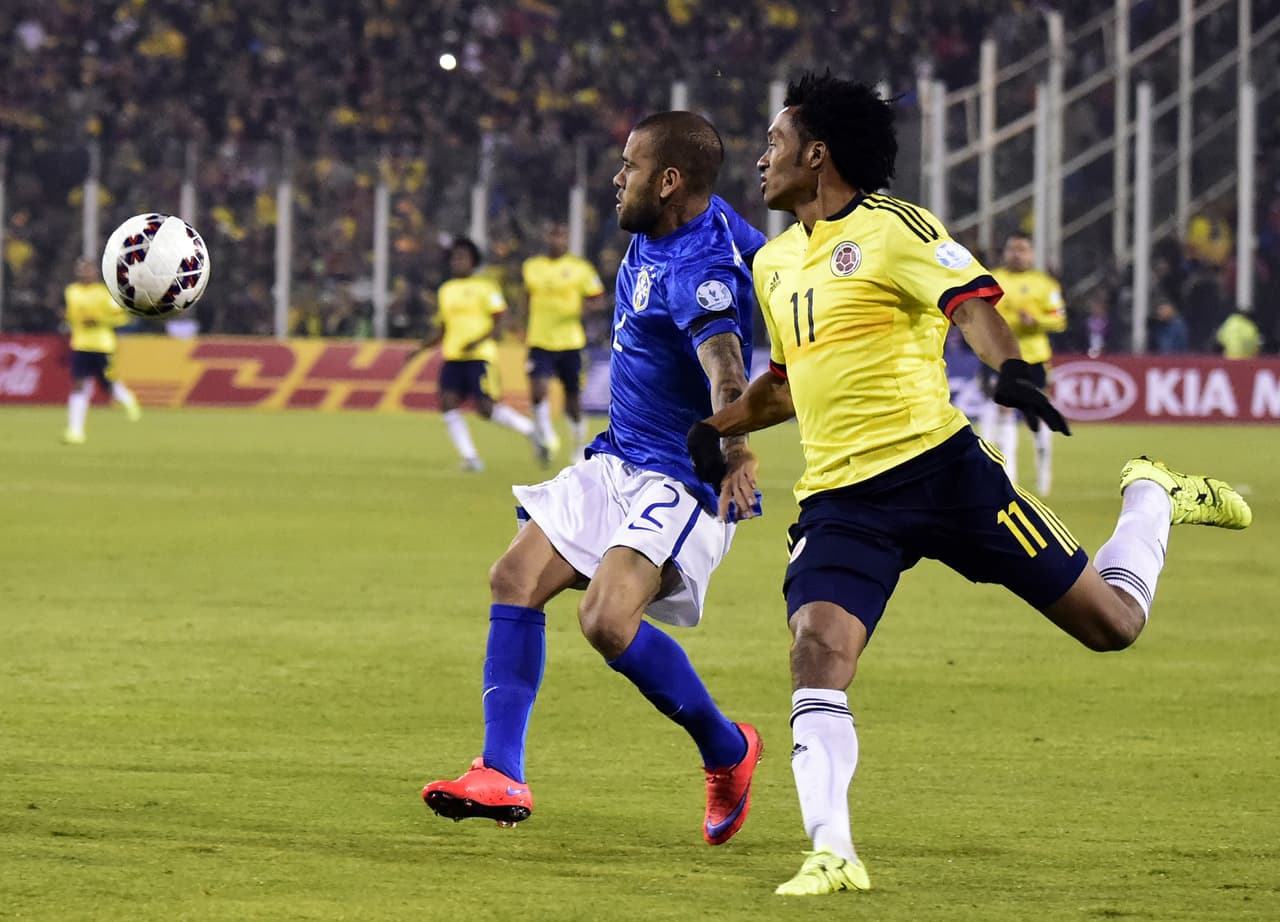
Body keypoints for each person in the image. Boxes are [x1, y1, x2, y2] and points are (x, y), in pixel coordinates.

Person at [687, 72, 1253, 897]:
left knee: (1113, 626)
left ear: (817, 155)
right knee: (816, 650)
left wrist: (1013, 368)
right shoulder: (772, 263)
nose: (761, 160)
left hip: (945, 474)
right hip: (843, 501)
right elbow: (787, 382)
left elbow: (970, 303)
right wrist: (719, 426)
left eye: (774, 143)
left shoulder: (894, 228)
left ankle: (1151, 497)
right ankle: (832, 851)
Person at [423, 111, 768, 846]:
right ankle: (501, 771)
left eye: (629, 166)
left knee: (606, 621)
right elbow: (773, 260)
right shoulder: (692, 220)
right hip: (616, 457)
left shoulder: (698, 269)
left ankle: (727, 749)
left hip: (679, 478)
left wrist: (736, 450)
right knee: (514, 577)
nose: (617, 178)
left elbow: (727, 368)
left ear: (667, 181)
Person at [412, 237, 544, 472]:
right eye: (454, 258)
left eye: (462, 258)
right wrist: (421, 349)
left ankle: (530, 430)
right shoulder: (446, 290)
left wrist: (478, 341)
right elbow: (442, 327)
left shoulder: (486, 288)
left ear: (473, 262)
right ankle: (471, 458)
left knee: (485, 409)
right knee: (447, 403)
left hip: (480, 357)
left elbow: (500, 320)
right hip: (454, 356)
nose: (457, 262)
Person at [980, 231, 1067, 495]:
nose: (1016, 254)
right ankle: (1009, 476)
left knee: (1037, 413)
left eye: (1022, 249)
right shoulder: (991, 280)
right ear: (1005, 252)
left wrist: (1036, 321)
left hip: (1034, 357)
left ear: (1031, 253)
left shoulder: (1045, 285)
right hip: (1000, 356)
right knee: (1004, 410)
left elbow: (1059, 320)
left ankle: (1044, 469)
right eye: (1012, 249)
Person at [521, 221, 606, 460]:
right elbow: (527, 298)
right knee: (538, 390)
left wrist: (582, 311)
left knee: (572, 400)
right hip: (539, 339)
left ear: (567, 239)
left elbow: (597, 298)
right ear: (546, 238)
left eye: (560, 236)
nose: (556, 240)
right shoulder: (532, 267)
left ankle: (578, 445)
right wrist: (522, 324)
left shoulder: (580, 269)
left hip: (570, 341)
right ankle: (547, 436)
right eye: (552, 236)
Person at [62, 256, 142, 444]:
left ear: (95, 272)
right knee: (79, 384)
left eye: (87, 269)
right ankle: (75, 431)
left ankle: (128, 399)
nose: (84, 272)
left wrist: (100, 321)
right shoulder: (71, 291)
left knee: (107, 385)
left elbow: (122, 318)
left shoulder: (105, 293)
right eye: (81, 269)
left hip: (102, 345)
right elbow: (70, 315)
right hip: (81, 344)